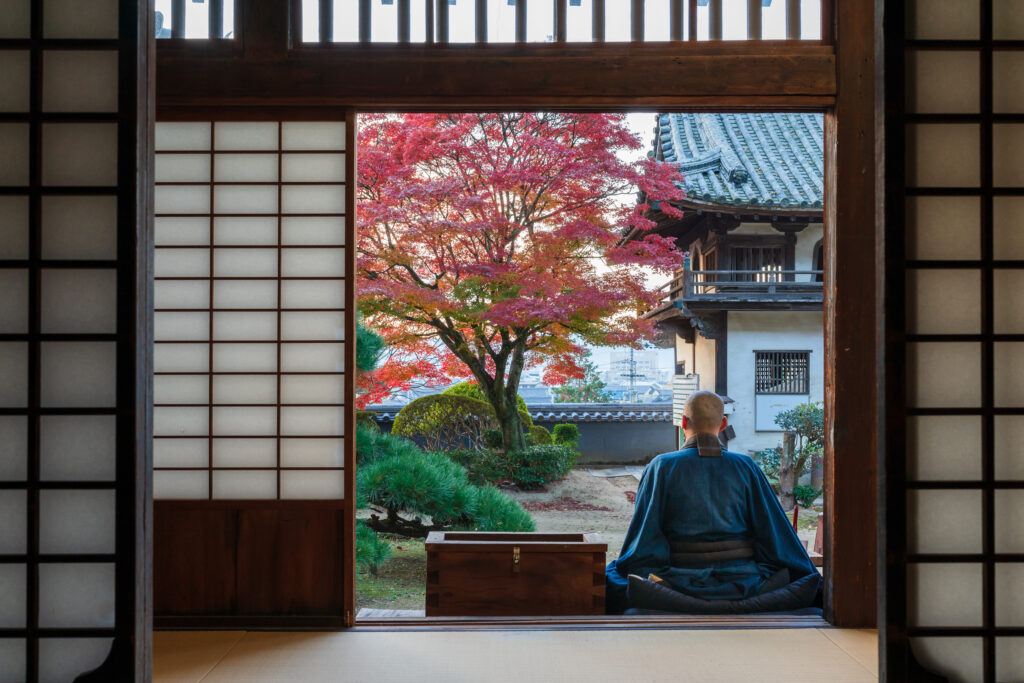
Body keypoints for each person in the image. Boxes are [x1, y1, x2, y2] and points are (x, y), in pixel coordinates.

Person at [605, 390, 819, 614]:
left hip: (677, 584)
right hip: (746, 582)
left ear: (683, 421)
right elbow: (774, 534)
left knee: (615, 575)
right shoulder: (745, 466)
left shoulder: (661, 466)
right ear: (724, 423)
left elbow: (644, 541)